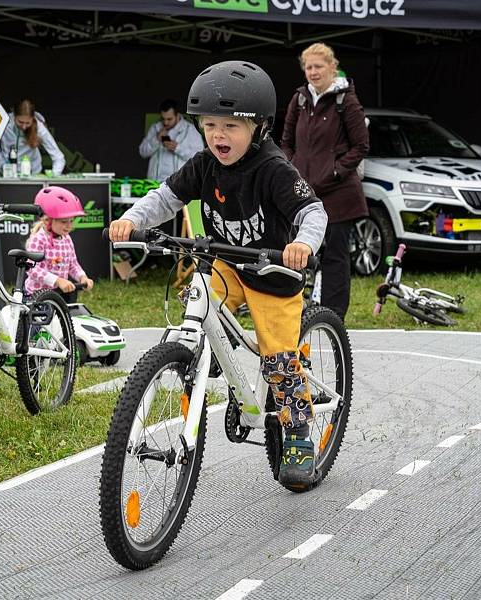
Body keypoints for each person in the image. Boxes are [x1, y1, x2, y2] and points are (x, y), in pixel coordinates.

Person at [110, 61, 328, 489]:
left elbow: (312, 211)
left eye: (231, 125)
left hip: (273, 276)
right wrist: (131, 219)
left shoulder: (273, 168)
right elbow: (166, 198)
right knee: (200, 306)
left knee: (281, 362)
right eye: (209, 125)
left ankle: (299, 433)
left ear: (260, 128)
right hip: (227, 265)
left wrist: (303, 244)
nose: (218, 135)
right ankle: (206, 361)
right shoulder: (204, 164)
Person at [280, 42, 369, 321]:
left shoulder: (347, 100)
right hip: (304, 194)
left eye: (319, 66)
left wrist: (334, 172)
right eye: (308, 67)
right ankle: (297, 312)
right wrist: (292, 169)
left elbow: (361, 146)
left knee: (334, 260)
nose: (313, 72)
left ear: (332, 66)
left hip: (339, 195)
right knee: (299, 254)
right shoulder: (300, 98)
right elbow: (286, 141)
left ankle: (332, 319)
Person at [25, 186, 93, 303]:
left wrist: (82, 277)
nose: (69, 226)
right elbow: (32, 269)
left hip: (59, 295)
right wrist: (57, 280)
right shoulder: (39, 239)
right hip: (37, 297)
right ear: (47, 220)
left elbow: (72, 264)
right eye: (64, 222)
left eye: (71, 221)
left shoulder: (67, 239)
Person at [0, 99, 65, 176]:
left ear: (32, 118)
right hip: (7, 174)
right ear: (14, 115)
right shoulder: (4, 122)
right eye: (20, 122)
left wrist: (54, 175)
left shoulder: (39, 127)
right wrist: (2, 163)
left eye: (28, 123)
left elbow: (58, 157)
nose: (24, 127)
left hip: (32, 175)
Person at [138, 98, 204, 181]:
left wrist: (177, 148)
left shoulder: (191, 130)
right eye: (163, 118)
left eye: (169, 119)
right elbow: (142, 152)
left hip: (179, 184)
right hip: (155, 184)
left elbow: (199, 158)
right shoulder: (155, 128)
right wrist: (156, 139)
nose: (165, 122)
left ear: (177, 115)